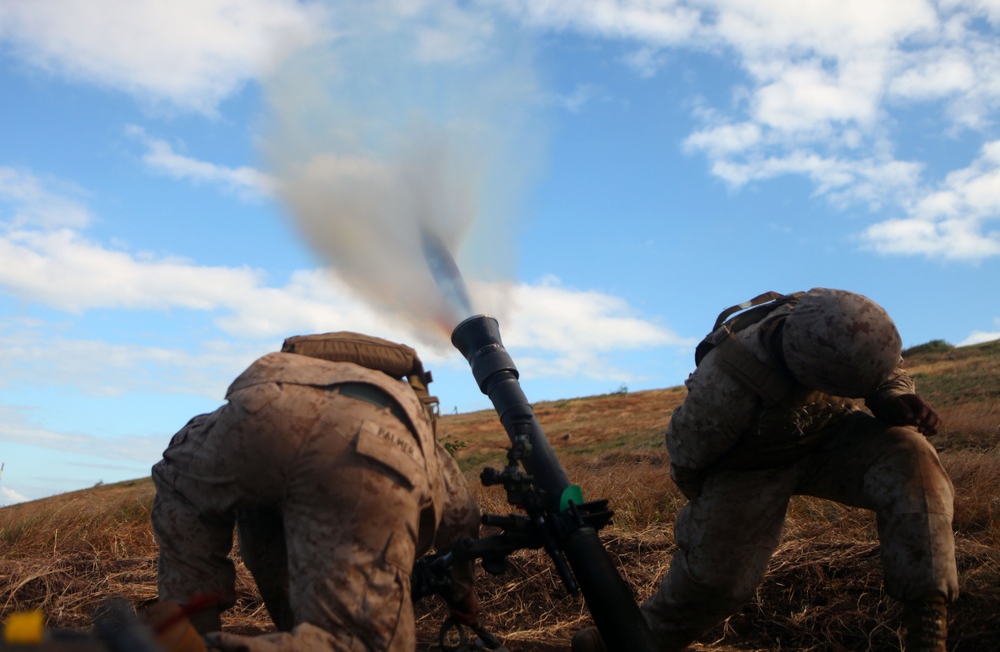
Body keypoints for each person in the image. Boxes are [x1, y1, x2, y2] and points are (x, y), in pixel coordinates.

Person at [573, 288, 957, 652]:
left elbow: (883, 370)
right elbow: (687, 458)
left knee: (912, 458)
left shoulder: (839, 320)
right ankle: (626, 642)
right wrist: (717, 517)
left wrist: (892, 396)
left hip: (830, 436)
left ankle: (928, 615)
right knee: (717, 581)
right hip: (749, 467)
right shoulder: (726, 382)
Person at [150, 331, 481, 652]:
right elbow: (459, 517)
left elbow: (181, 469)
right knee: (359, 642)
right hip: (367, 443)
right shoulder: (395, 402)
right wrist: (462, 589)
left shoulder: (291, 374)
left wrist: (189, 604)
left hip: (253, 417)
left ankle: (185, 634)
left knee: (198, 506)